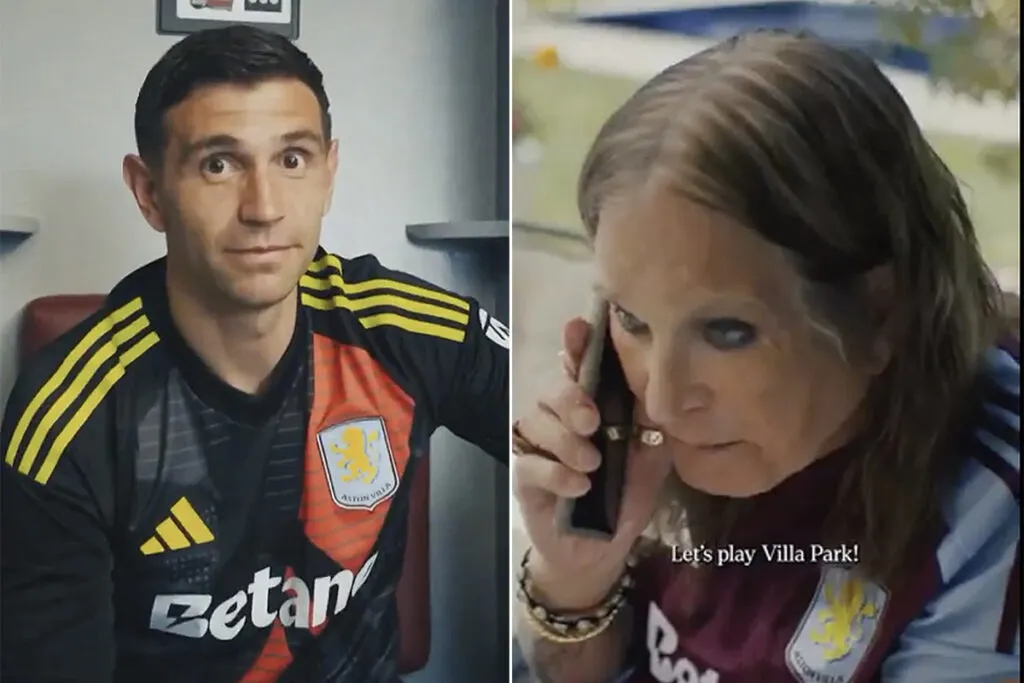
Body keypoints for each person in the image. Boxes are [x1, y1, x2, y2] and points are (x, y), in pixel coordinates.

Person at [1, 25, 508, 683]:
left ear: (329, 173)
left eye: (292, 159)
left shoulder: (403, 330)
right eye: (220, 163)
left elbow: (581, 419)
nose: (264, 207)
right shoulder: (70, 415)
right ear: (149, 191)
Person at [512, 30, 1020, 683]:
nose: (663, 398)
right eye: (633, 319)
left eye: (726, 331)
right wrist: (574, 580)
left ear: (879, 312)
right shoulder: (643, 444)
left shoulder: (989, 505)